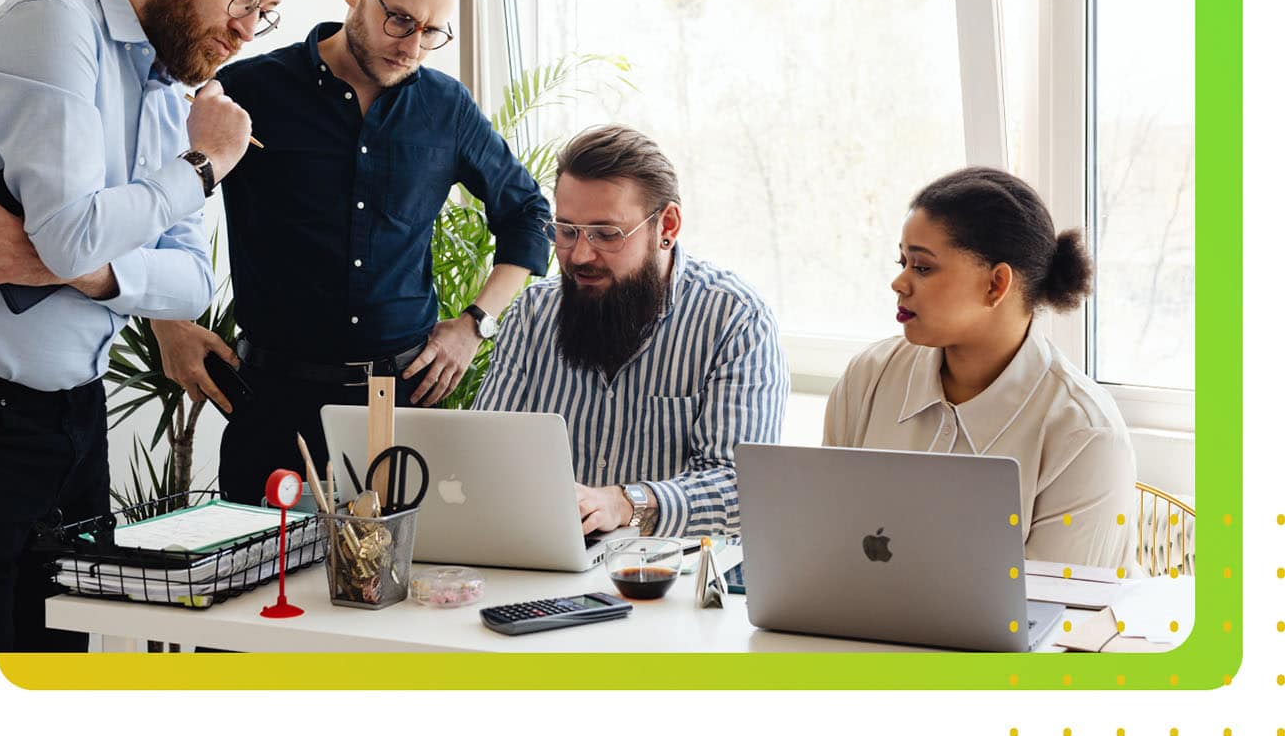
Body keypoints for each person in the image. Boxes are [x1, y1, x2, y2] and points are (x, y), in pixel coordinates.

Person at [0, 0, 292, 651]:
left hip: (74, 427)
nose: (247, 29)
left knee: (61, 667)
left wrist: (85, 274)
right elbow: (72, 233)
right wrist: (200, 166)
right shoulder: (52, 28)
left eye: (265, 13)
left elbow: (193, 281)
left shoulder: (166, 96)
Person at [149, 0, 552, 505]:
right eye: (400, 20)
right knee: (263, 590)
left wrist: (473, 326)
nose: (413, 46)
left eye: (432, 32)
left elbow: (531, 216)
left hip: (403, 406)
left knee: (401, 588)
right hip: (272, 407)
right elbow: (153, 201)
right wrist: (166, 327)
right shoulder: (247, 91)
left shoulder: (447, 108)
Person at [473, 124, 788, 539]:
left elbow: (740, 489)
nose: (581, 255)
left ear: (668, 226)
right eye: (567, 231)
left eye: (607, 234)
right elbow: (481, 454)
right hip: (544, 567)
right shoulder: (532, 314)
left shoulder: (736, 321)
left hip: (676, 582)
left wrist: (625, 504)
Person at [823, 166, 1138, 569]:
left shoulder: (1085, 434)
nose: (899, 283)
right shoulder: (867, 378)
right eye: (901, 261)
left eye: (921, 267)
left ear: (996, 285)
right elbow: (829, 546)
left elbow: (1058, 615)